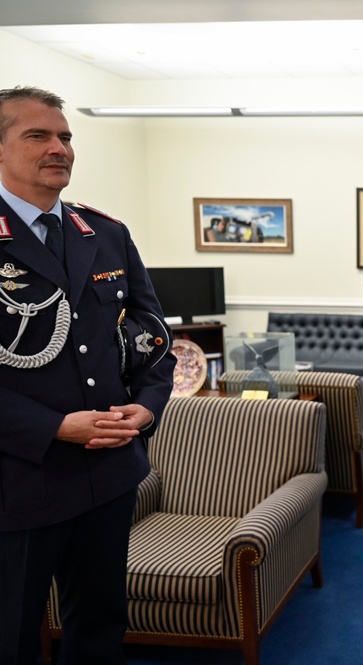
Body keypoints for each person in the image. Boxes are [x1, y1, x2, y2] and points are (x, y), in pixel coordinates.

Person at [0, 86, 176, 664]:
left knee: (100, 628)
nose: (60, 148)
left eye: (66, 137)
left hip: (106, 476)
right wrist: (53, 427)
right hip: (21, 480)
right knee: (13, 636)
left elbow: (153, 340)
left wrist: (148, 405)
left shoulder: (103, 233)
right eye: (38, 136)